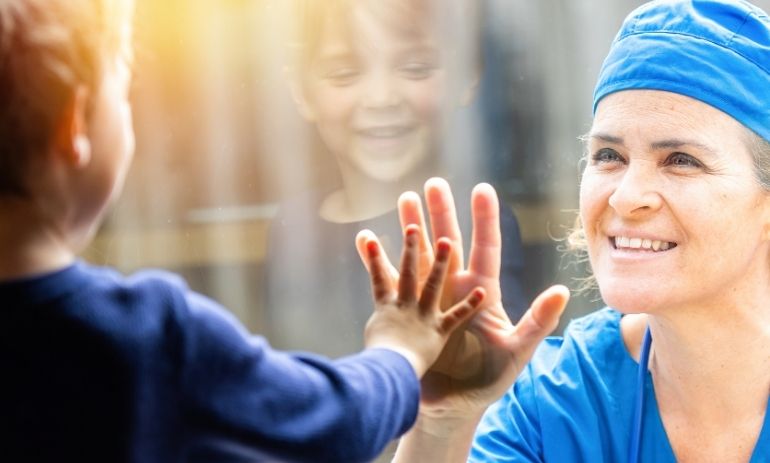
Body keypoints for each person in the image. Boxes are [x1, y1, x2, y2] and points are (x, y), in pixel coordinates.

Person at [0, 1, 491, 462]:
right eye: (122, 91)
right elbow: (330, 427)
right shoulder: (152, 335)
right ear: (74, 129)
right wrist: (400, 351)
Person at [359, 0, 770, 461]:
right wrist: (443, 423)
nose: (623, 196)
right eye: (608, 156)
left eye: (681, 161)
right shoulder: (553, 402)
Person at [263, 0, 529, 358]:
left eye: (416, 68)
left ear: (468, 76)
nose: (381, 98)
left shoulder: (478, 225)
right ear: (300, 89)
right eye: (344, 73)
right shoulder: (294, 225)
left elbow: (494, 369)